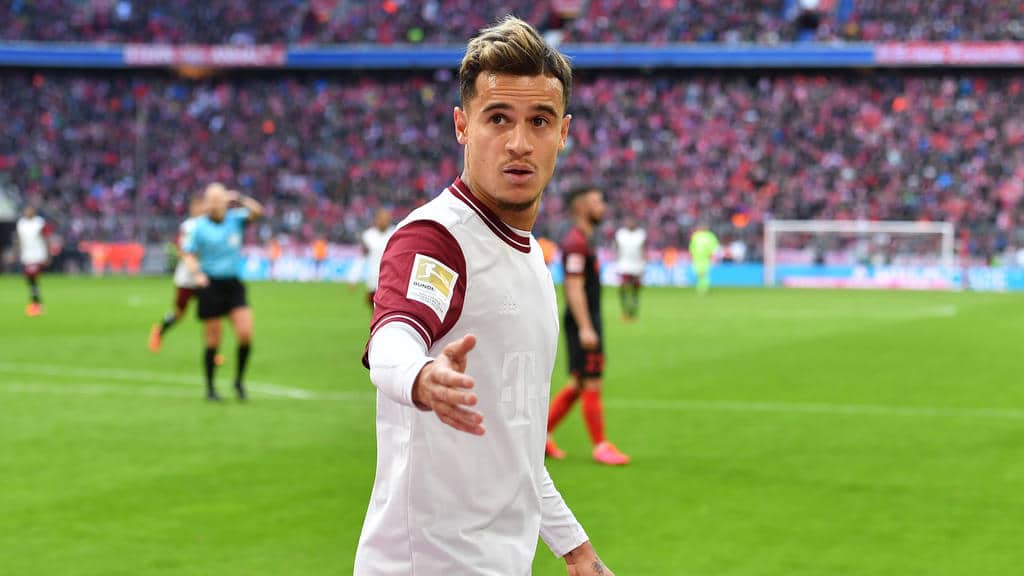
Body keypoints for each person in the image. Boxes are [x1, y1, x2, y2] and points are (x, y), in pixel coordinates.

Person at [356, 16, 614, 575]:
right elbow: (394, 336)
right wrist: (421, 377)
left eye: (539, 121)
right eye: (497, 118)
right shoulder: (437, 238)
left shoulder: (532, 257)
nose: (519, 142)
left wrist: (575, 548)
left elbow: (515, 444)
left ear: (563, 133)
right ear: (462, 126)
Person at [545, 187, 630, 466]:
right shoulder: (575, 243)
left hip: (587, 319)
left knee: (581, 383)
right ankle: (600, 445)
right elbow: (573, 286)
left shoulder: (584, 239)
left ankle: (541, 435)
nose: (602, 206)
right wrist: (585, 327)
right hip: (583, 320)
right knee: (591, 381)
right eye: (597, 202)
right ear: (581, 207)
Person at [181, 183, 263, 402]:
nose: (216, 203)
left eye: (219, 199)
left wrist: (240, 198)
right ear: (207, 202)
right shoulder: (199, 226)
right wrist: (197, 274)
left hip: (233, 284)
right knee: (213, 339)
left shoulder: (235, 219)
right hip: (211, 285)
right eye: (212, 199)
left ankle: (239, 381)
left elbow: (258, 212)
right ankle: (210, 388)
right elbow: (188, 253)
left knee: (245, 334)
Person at [149, 196, 209, 353]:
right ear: (193, 208)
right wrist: (194, 267)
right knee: (179, 313)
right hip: (187, 278)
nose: (202, 209)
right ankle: (159, 331)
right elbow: (182, 251)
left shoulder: (209, 225)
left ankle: (212, 351)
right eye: (199, 206)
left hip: (205, 277)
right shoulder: (188, 226)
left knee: (210, 314)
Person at [16, 205, 50, 317]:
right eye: (26, 210)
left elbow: (46, 238)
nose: (28, 212)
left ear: (34, 211)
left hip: (38, 254)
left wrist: (47, 255)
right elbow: (19, 239)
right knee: (30, 280)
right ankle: (36, 303)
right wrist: (18, 252)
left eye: (30, 210)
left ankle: (36, 305)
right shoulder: (21, 223)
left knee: (33, 278)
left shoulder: (39, 223)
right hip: (26, 255)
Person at [614, 214, 646, 321]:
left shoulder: (640, 234)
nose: (630, 223)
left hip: (637, 266)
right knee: (623, 288)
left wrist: (643, 265)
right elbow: (616, 248)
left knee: (635, 291)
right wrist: (616, 262)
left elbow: (643, 250)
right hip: (624, 265)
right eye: (629, 221)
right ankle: (624, 311)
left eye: (632, 221)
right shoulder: (620, 234)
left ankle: (633, 312)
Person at [360, 207, 394, 308]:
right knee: (374, 308)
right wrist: (353, 278)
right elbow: (362, 257)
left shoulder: (395, 233)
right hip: (373, 278)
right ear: (376, 219)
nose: (384, 222)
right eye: (381, 219)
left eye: (386, 219)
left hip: (390, 279)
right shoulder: (368, 236)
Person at [689, 222, 720, 295]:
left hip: (706, 257)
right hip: (696, 258)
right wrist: (691, 254)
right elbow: (692, 246)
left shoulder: (710, 236)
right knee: (698, 273)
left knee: (704, 273)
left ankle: (703, 288)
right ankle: (701, 287)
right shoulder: (696, 235)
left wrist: (714, 255)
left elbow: (714, 246)